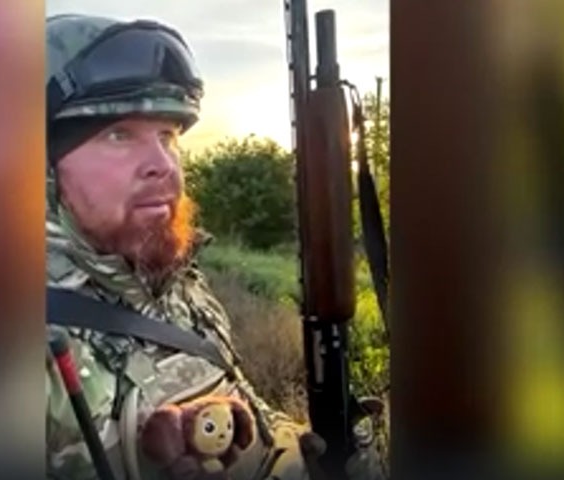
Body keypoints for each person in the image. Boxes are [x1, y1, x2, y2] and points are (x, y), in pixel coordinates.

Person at [44, 13, 379, 480]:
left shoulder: (177, 286)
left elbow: (249, 417)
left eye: (168, 135)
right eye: (119, 135)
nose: (163, 164)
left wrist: (299, 454)